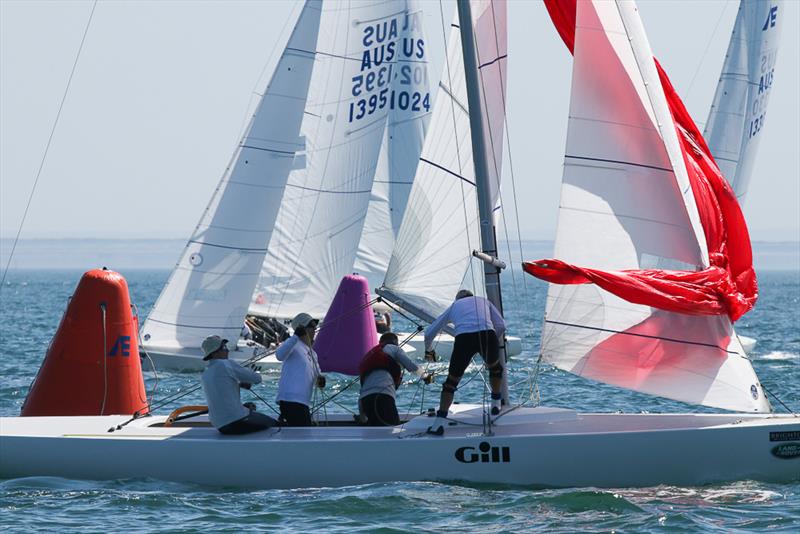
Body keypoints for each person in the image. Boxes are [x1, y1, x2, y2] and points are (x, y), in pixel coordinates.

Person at [424, 289, 506, 435]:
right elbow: (501, 325)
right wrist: (492, 344)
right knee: (495, 368)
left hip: (464, 339)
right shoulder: (484, 301)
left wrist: (429, 350)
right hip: (487, 335)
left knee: (451, 382)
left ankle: (438, 424)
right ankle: (496, 404)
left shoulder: (454, 306)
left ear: (457, 299)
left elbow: (430, 332)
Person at [200, 334, 277, 435]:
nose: (227, 350)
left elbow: (222, 387)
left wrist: (238, 383)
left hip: (219, 425)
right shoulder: (225, 364)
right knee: (276, 424)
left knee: (248, 410)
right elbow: (257, 379)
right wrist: (248, 374)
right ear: (214, 353)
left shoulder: (205, 373)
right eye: (223, 347)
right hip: (236, 422)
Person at [358, 332, 433, 426]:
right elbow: (411, 366)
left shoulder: (369, 356)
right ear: (395, 342)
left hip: (364, 400)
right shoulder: (394, 348)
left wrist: (362, 415)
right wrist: (427, 377)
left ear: (380, 342)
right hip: (382, 397)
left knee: (375, 432)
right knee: (392, 430)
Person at [275, 313, 326, 426]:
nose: (315, 329)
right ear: (303, 328)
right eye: (311, 326)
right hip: (291, 400)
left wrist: (320, 380)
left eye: (315, 326)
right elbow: (279, 355)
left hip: (303, 402)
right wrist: (295, 336)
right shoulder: (294, 345)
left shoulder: (313, 354)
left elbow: (317, 375)